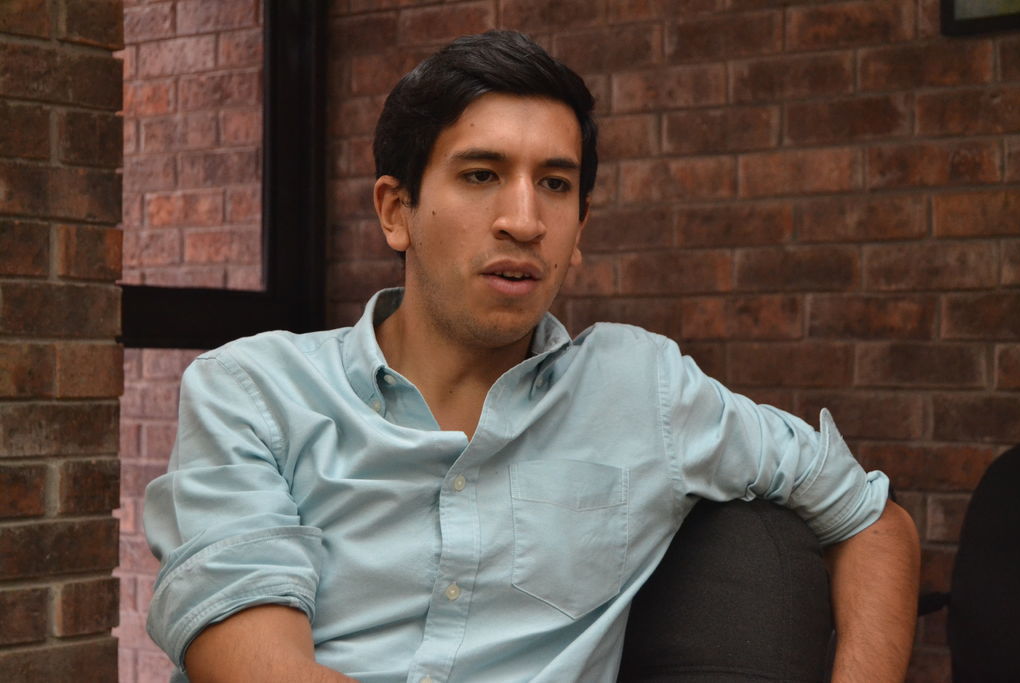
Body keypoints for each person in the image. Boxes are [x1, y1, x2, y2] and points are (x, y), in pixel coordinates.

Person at [144, 30, 920, 683]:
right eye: (481, 175)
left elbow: (874, 522)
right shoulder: (253, 391)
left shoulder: (644, 389)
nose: (524, 220)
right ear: (396, 209)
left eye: (554, 183)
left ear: (580, 228)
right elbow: (254, 663)